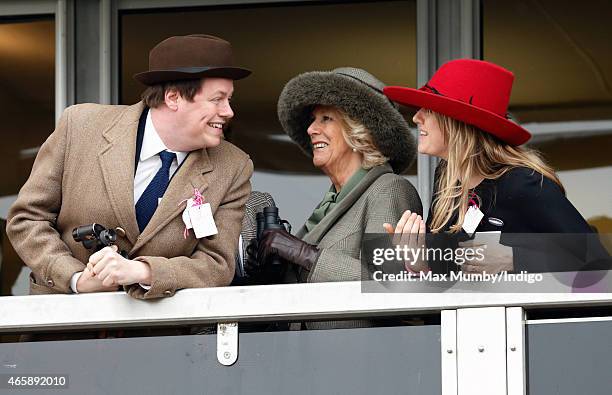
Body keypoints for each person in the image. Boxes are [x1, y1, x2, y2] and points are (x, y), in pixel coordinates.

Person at [7, 34, 253, 299]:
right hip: (64, 330)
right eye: (217, 99)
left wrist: (143, 272)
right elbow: (27, 219)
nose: (228, 111)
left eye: (229, 99)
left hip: (158, 336)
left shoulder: (234, 166)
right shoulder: (80, 126)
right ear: (173, 98)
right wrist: (76, 278)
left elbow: (217, 265)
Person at [383, 59, 610, 274]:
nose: (416, 118)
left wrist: (514, 259)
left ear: (459, 121)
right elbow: (455, 275)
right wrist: (420, 261)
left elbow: (597, 264)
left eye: (429, 108)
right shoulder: (446, 178)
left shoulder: (522, 182)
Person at [247, 67, 422, 285]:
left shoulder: (389, 190)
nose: (311, 129)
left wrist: (305, 254)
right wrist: (269, 265)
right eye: (313, 119)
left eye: (326, 118)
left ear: (359, 131)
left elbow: (385, 285)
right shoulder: (329, 204)